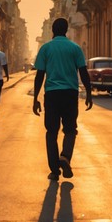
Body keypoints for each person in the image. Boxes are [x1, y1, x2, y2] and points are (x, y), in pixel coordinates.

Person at [32, 17, 93, 180]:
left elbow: (39, 75)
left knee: (51, 132)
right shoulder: (75, 48)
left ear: (53, 30)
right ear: (66, 30)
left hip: (52, 94)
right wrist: (89, 93)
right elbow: (83, 72)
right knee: (70, 130)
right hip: (70, 94)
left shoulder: (46, 49)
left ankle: (54, 170)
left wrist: (35, 99)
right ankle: (65, 157)